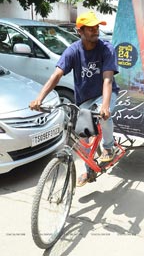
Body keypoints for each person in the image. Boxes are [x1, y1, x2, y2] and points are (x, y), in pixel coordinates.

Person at [29, 11, 120, 186]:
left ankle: (109, 147)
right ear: (80, 31)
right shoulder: (73, 51)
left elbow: (107, 79)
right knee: (82, 138)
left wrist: (105, 106)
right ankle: (89, 171)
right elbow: (56, 76)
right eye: (91, 28)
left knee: (103, 115)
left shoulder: (106, 48)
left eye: (96, 27)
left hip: (105, 94)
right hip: (84, 99)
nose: (95, 31)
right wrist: (39, 98)